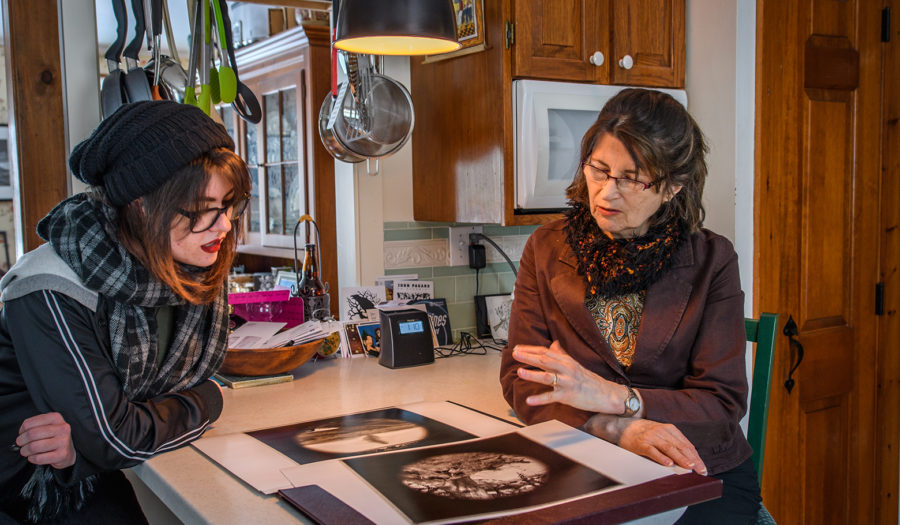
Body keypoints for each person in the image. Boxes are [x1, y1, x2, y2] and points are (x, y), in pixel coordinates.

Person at [499, 88, 761, 524]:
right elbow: (521, 377)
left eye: (632, 178)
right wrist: (616, 427)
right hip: (588, 456)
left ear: (674, 186)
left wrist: (620, 399)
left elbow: (722, 402)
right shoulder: (546, 247)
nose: (606, 192)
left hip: (696, 466)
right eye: (599, 169)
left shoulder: (713, 260)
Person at [0, 101, 251, 524]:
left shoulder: (190, 265)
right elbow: (113, 437)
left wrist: (102, 433)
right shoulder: (49, 286)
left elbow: (113, 428)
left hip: (82, 469)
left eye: (228, 205)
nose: (223, 226)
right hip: (26, 485)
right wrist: (208, 399)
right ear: (141, 205)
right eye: (201, 209)